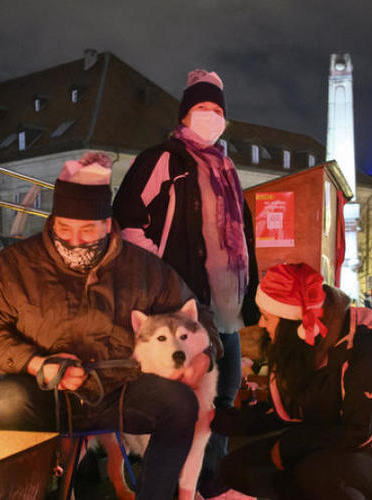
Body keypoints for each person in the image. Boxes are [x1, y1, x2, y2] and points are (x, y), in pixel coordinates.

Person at [0, 152, 222, 500]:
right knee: (6, 398)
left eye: (87, 230)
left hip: (120, 389)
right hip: (46, 391)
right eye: (65, 228)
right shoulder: (15, 265)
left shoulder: (142, 268)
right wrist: (38, 363)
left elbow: (198, 315)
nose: (75, 240)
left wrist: (204, 355)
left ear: (107, 224)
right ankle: (31, 492)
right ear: (53, 220)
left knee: (179, 405)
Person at [113, 69, 258, 499]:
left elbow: (242, 239)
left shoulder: (227, 168)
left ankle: (210, 483)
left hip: (225, 308)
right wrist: (156, 277)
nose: (210, 116)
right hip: (183, 306)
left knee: (223, 396)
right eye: (201, 108)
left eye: (217, 110)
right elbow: (130, 216)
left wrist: (249, 296)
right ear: (185, 113)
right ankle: (177, 483)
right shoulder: (164, 159)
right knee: (183, 401)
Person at [213, 263, 372, 500]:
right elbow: (285, 409)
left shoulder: (364, 348)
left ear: (292, 321)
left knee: (315, 474)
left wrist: (291, 445)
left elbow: (359, 432)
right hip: (324, 445)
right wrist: (219, 419)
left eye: (267, 317)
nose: (260, 324)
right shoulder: (298, 347)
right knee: (235, 468)